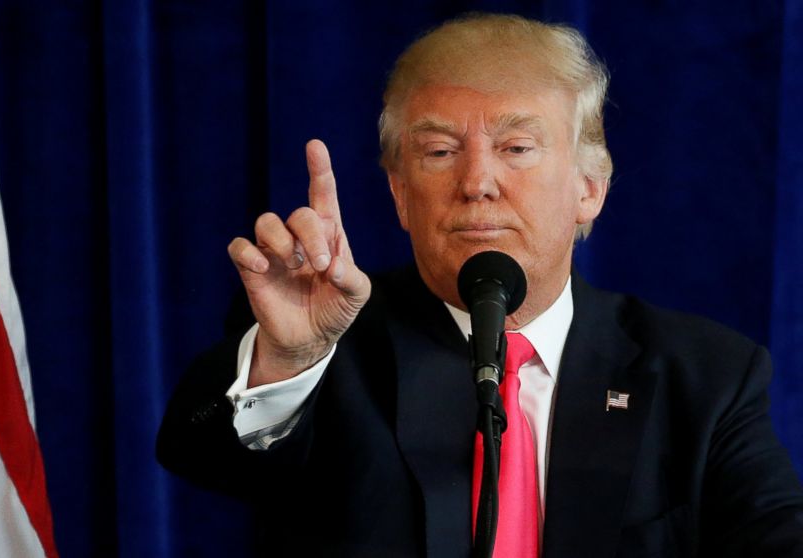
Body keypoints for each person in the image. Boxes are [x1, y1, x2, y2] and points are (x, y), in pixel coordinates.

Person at [157, 13, 803, 557]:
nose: (476, 183)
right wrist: (292, 360)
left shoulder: (705, 376)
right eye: (439, 153)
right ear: (399, 192)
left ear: (590, 188)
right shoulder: (327, 344)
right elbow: (196, 454)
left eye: (517, 148)